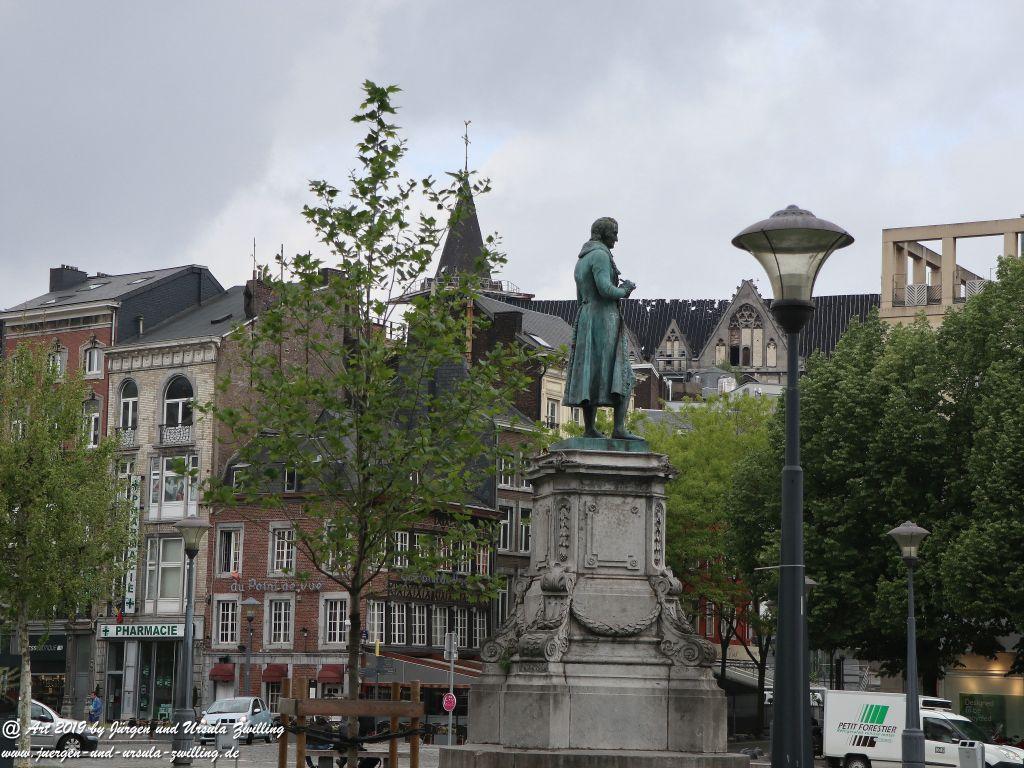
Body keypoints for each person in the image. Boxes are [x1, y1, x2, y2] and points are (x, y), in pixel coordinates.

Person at [562, 216, 641, 440]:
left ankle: (590, 428)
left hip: (586, 317)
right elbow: (605, 289)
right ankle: (619, 428)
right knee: (624, 373)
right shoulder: (600, 255)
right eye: (614, 233)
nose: (616, 238)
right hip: (604, 319)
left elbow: (580, 297)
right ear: (604, 233)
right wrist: (625, 289)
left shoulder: (582, 259)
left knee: (590, 372)